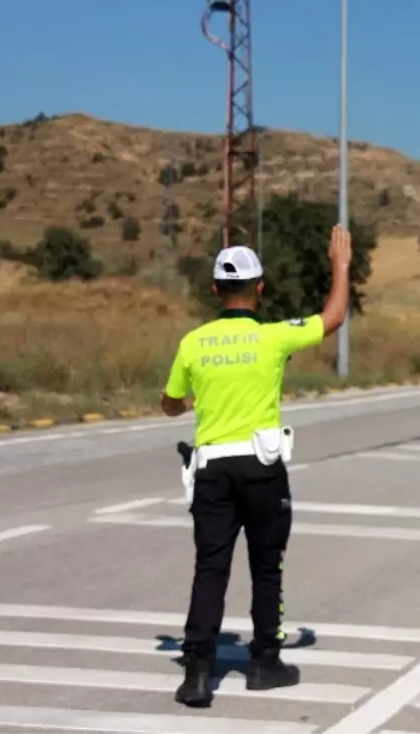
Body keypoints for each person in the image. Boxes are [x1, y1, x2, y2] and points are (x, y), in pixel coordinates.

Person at [161, 225, 352, 708]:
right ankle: (265, 662)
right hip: (262, 468)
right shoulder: (273, 338)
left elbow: (169, 403)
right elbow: (332, 318)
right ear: (260, 287)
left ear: (214, 289)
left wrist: (192, 401)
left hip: (211, 470)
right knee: (267, 567)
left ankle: (198, 674)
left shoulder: (193, 343)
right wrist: (340, 266)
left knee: (211, 569)